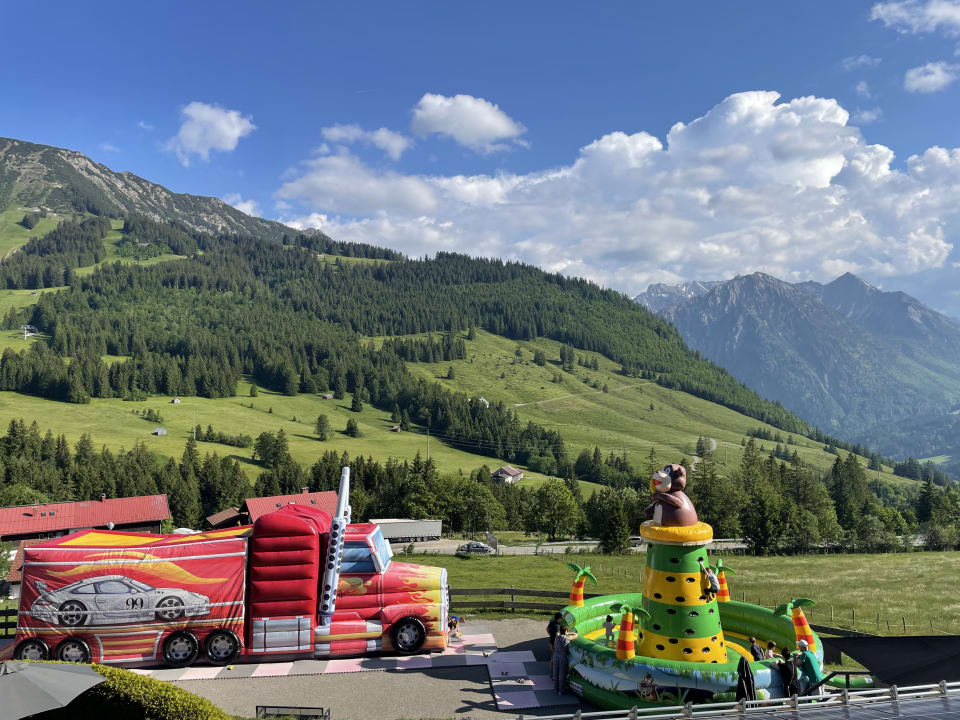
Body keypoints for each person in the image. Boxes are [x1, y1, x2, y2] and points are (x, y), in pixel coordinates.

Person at [552, 625, 578, 694]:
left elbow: (558, 633)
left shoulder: (557, 637)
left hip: (555, 656)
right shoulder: (567, 638)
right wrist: (568, 633)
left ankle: (555, 689)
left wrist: (564, 631)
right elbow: (576, 635)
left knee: (555, 673)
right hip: (562, 657)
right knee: (562, 674)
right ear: (566, 631)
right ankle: (561, 691)